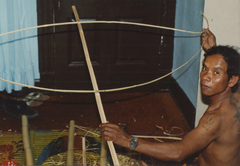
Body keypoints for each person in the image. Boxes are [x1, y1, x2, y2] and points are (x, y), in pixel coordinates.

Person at [100, 28, 240, 166]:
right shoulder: (236, 96)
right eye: (205, 68)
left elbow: (179, 152)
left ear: (232, 80)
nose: (205, 77)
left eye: (216, 73)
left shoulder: (215, 120)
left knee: (146, 161)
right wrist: (213, 51)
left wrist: (127, 140)